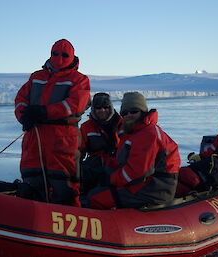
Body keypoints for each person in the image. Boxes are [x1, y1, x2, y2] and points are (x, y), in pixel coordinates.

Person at [14, 39, 90, 206]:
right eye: (55, 54)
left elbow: (76, 104)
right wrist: (24, 116)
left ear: (72, 57)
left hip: (62, 139)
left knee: (64, 183)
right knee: (32, 179)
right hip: (35, 137)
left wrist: (45, 112)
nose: (59, 58)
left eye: (64, 55)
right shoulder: (36, 77)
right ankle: (32, 222)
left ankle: (70, 222)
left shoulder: (79, 79)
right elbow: (21, 99)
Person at [87, 92, 180, 209]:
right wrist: (103, 167)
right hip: (145, 183)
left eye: (134, 111)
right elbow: (124, 161)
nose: (129, 115)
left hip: (154, 189)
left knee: (96, 197)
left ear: (143, 112)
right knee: (96, 180)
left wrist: (110, 179)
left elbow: (136, 173)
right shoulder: (134, 132)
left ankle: (109, 224)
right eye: (125, 113)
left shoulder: (148, 134)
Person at [79, 92, 122, 195]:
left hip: (118, 165)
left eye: (106, 107)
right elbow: (80, 151)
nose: (102, 110)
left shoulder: (122, 124)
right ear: (93, 109)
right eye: (98, 108)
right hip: (95, 166)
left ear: (110, 107)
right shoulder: (86, 127)